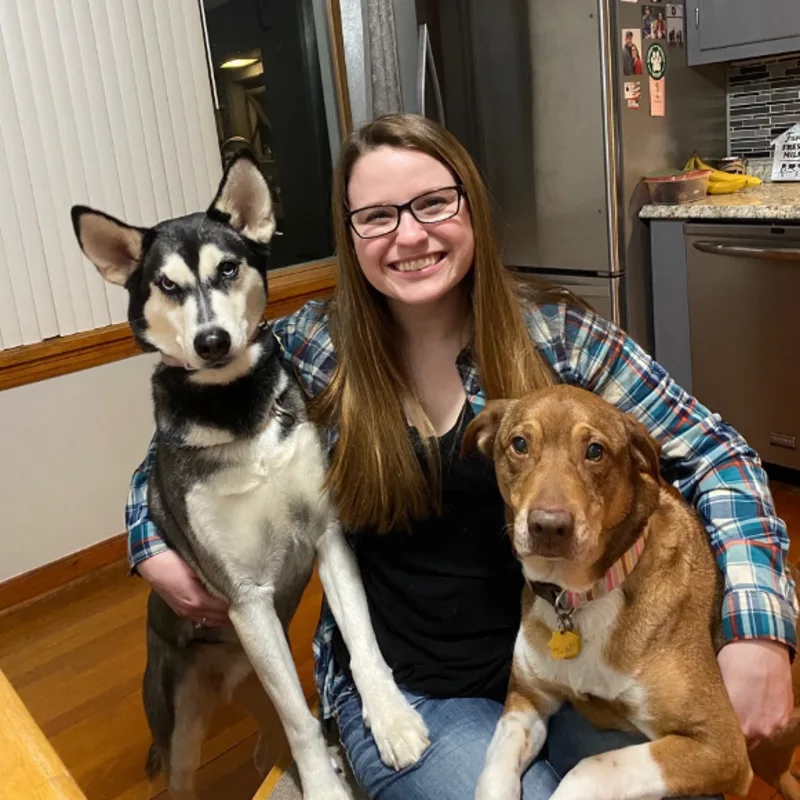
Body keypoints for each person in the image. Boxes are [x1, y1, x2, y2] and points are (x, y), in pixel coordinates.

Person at [126, 113, 797, 799]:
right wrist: (147, 542)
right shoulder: (306, 348)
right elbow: (171, 453)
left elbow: (717, 453)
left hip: (555, 674)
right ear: (349, 234)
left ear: (469, 206)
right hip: (411, 698)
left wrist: (758, 630)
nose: (410, 235)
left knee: (698, 779)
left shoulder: (556, 334)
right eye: (377, 216)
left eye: (433, 203)